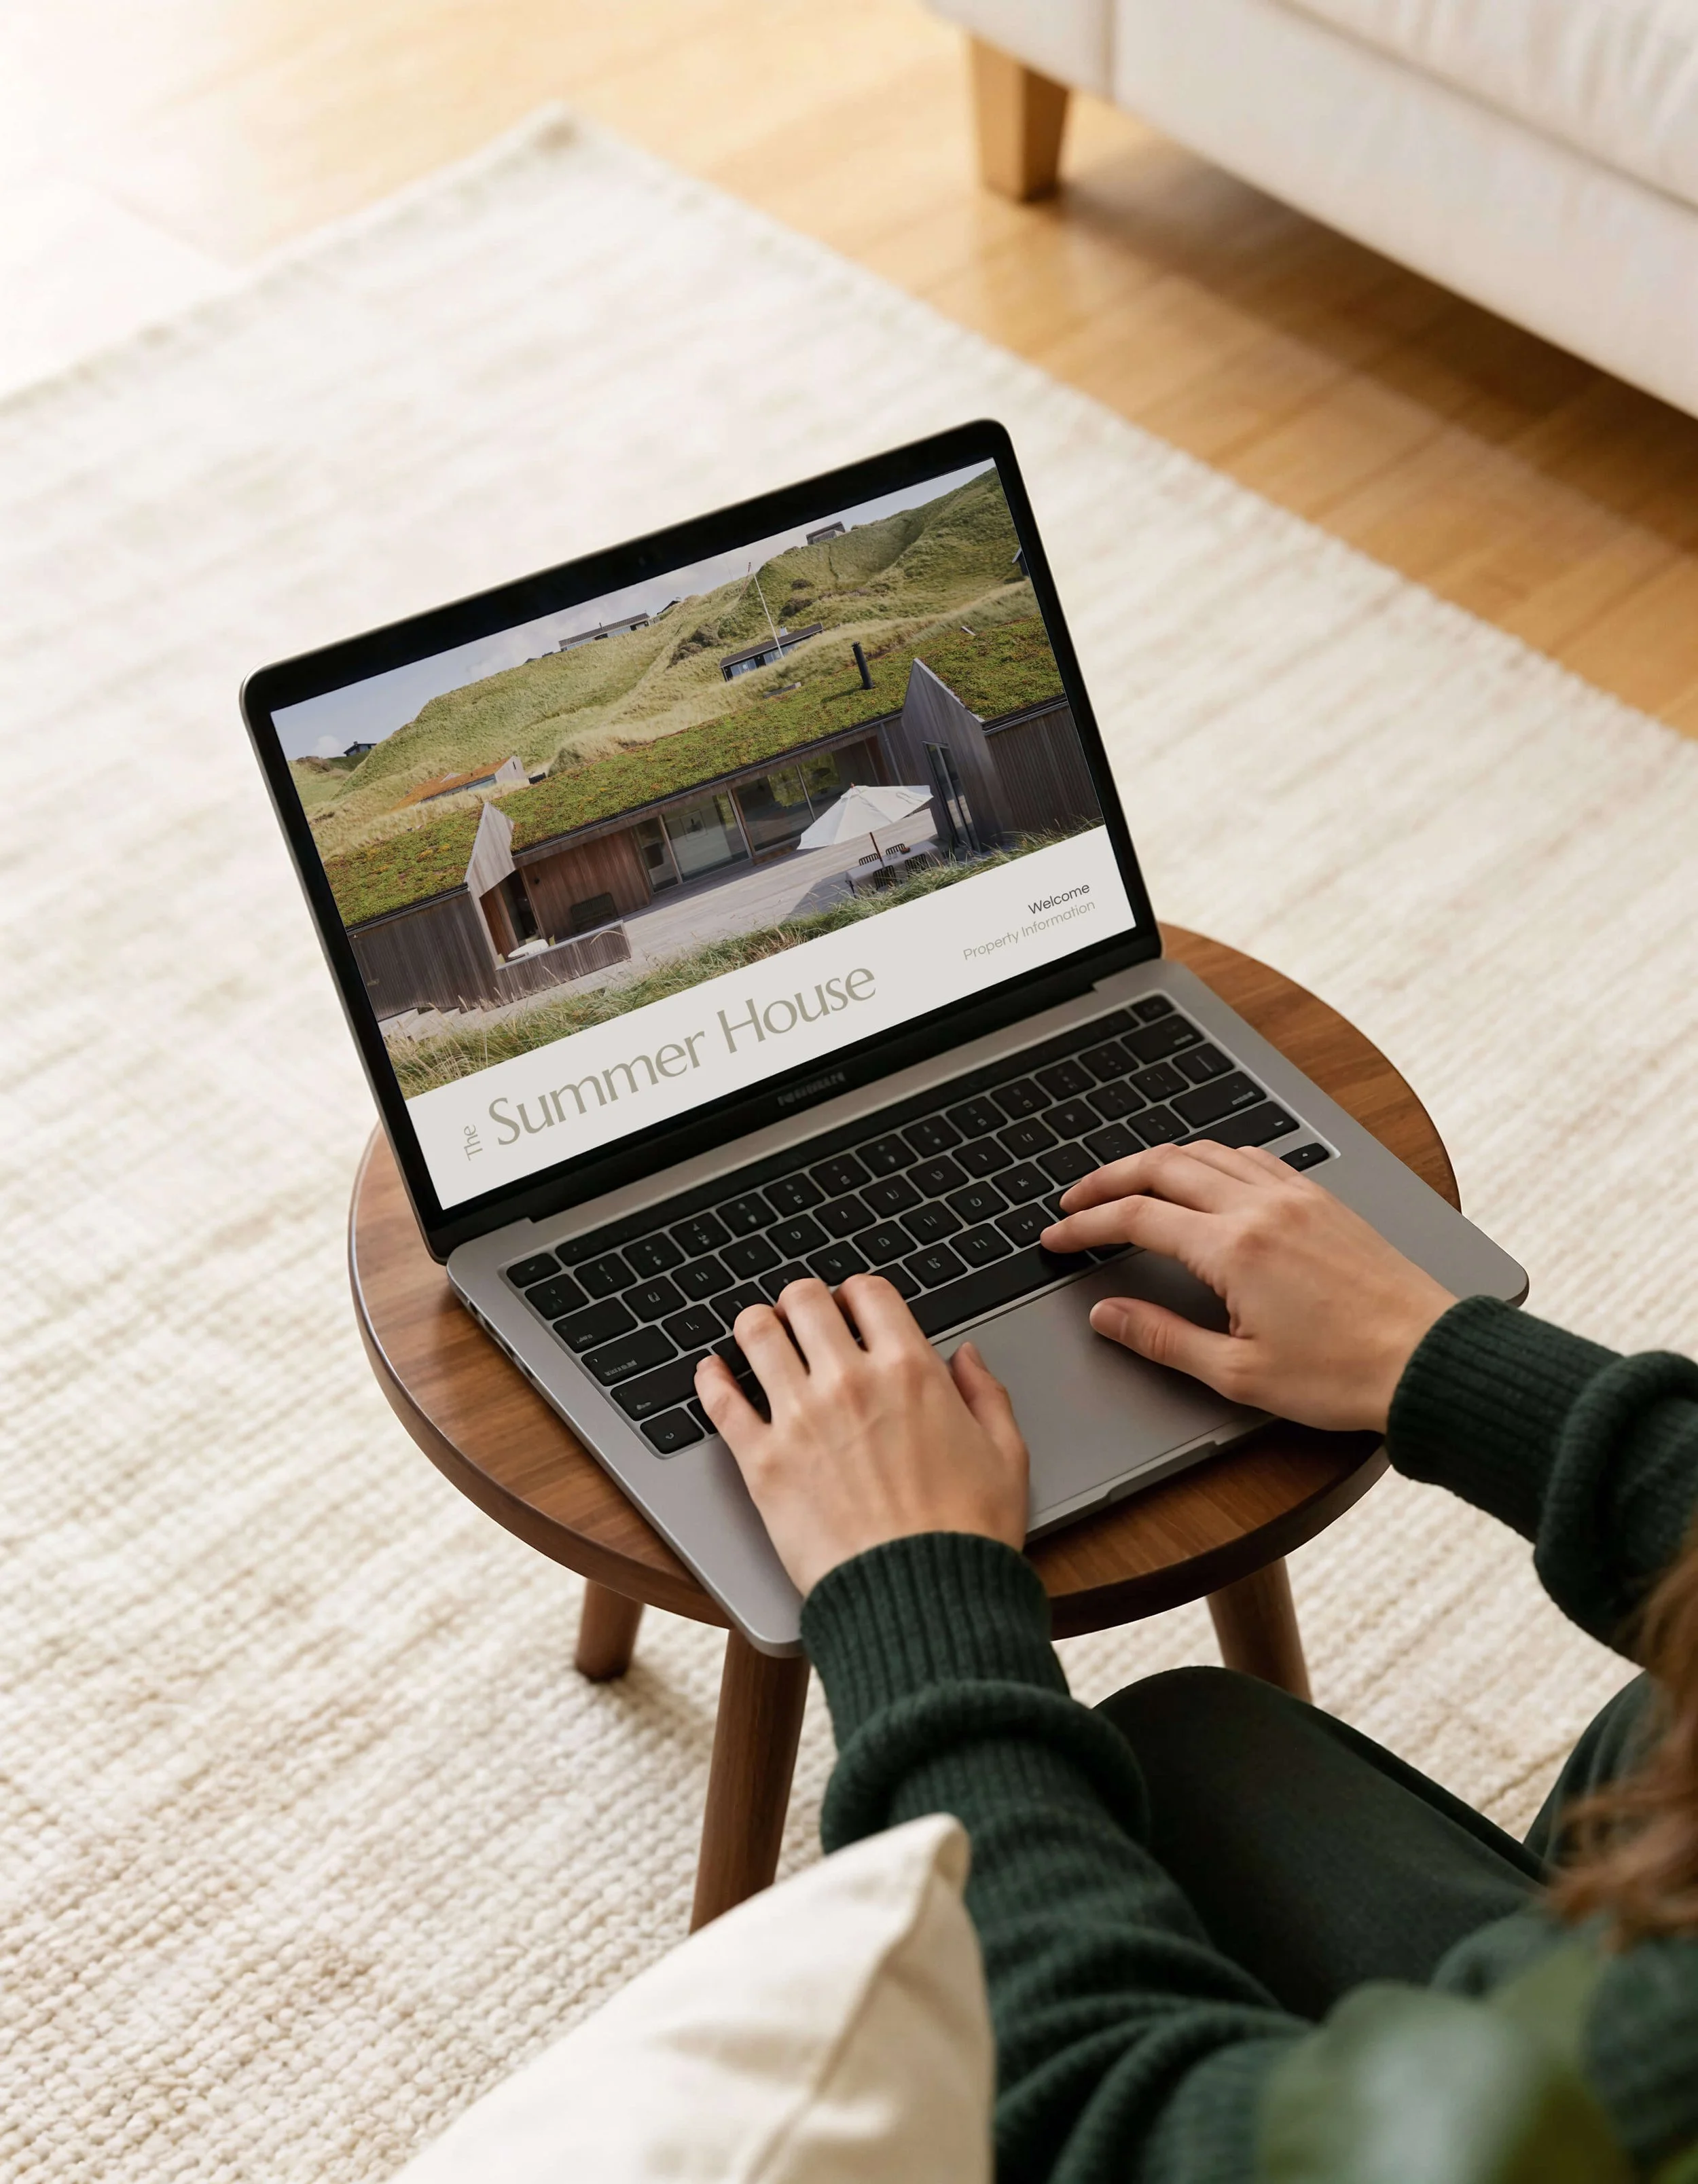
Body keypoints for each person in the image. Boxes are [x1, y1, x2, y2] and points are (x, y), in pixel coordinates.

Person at [693, 1141, 1698, 2183]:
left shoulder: (1634, 2076)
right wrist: (1436, 1359)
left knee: (1175, 1779)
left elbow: (1103, 2119)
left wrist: (910, 1597)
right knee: (1194, 1744)